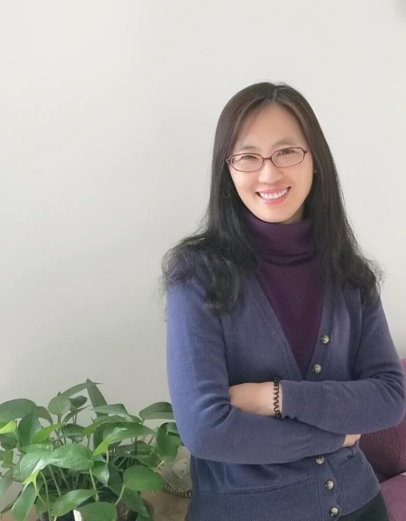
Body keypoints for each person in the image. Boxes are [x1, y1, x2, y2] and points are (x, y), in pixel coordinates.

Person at [160, 82, 406, 520]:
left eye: (286, 152)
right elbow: (206, 430)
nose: (269, 174)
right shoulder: (197, 275)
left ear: (315, 159)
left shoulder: (351, 275)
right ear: (227, 169)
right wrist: (336, 435)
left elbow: (389, 398)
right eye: (248, 156)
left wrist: (277, 397)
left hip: (360, 504)